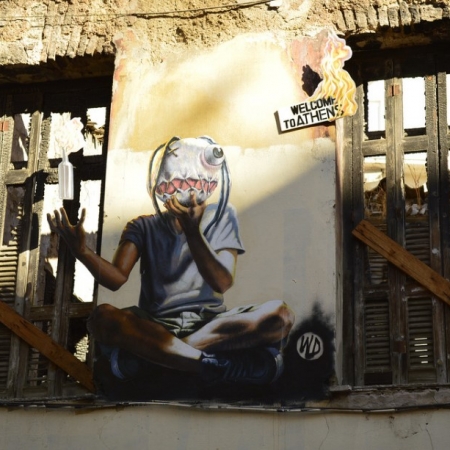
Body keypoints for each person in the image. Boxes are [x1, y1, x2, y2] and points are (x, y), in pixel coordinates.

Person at [47, 136, 294, 385]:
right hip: (155, 326)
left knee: (280, 315)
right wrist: (82, 251)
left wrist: (193, 232)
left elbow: (222, 282)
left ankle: (159, 356)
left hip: (210, 324)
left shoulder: (221, 216)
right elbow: (116, 279)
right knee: (102, 318)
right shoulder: (143, 226)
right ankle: (208, 364)